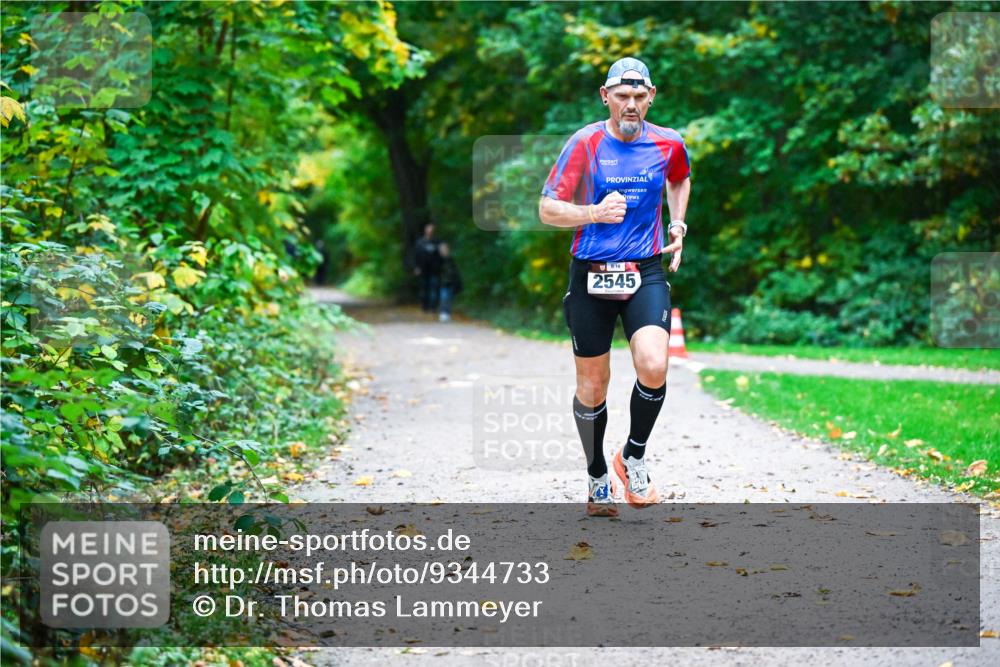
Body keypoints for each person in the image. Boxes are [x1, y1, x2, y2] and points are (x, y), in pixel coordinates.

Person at [538, 57, 691, 517]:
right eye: (621, 96)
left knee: (654, 363)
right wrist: (592, 213)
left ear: (651, 97)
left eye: (639, 97)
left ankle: (633, 457)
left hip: (644, 270)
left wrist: (678, 223)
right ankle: (596, 475)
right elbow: (547, 209)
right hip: (591, 273)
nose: (631, 104)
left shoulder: (668, 143)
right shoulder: (585, 143)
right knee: (593, 386)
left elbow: (680, 178)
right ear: (605, 96)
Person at [413, 224, 441, 312]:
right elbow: (416, 256)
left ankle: (433, 307)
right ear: (425, 231)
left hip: (435, 270)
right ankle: (424, 306)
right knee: (424, 289)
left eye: (432, 230)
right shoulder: (420, 242)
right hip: (423, 270)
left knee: (434, 288)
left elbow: (441, 256)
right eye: (429, 230)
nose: (430, 232)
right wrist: (417, 267)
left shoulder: (437, 242)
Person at [437, 242, 462, 322]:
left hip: (451, 282)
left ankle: (447, 313)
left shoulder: (451, 260)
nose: (444, 251)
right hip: (442, 283)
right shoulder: (438, 260)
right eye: (443, 249)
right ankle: (443, 313)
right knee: (444, 298)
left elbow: (455, 271)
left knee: (449, 298)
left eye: (446, 249)